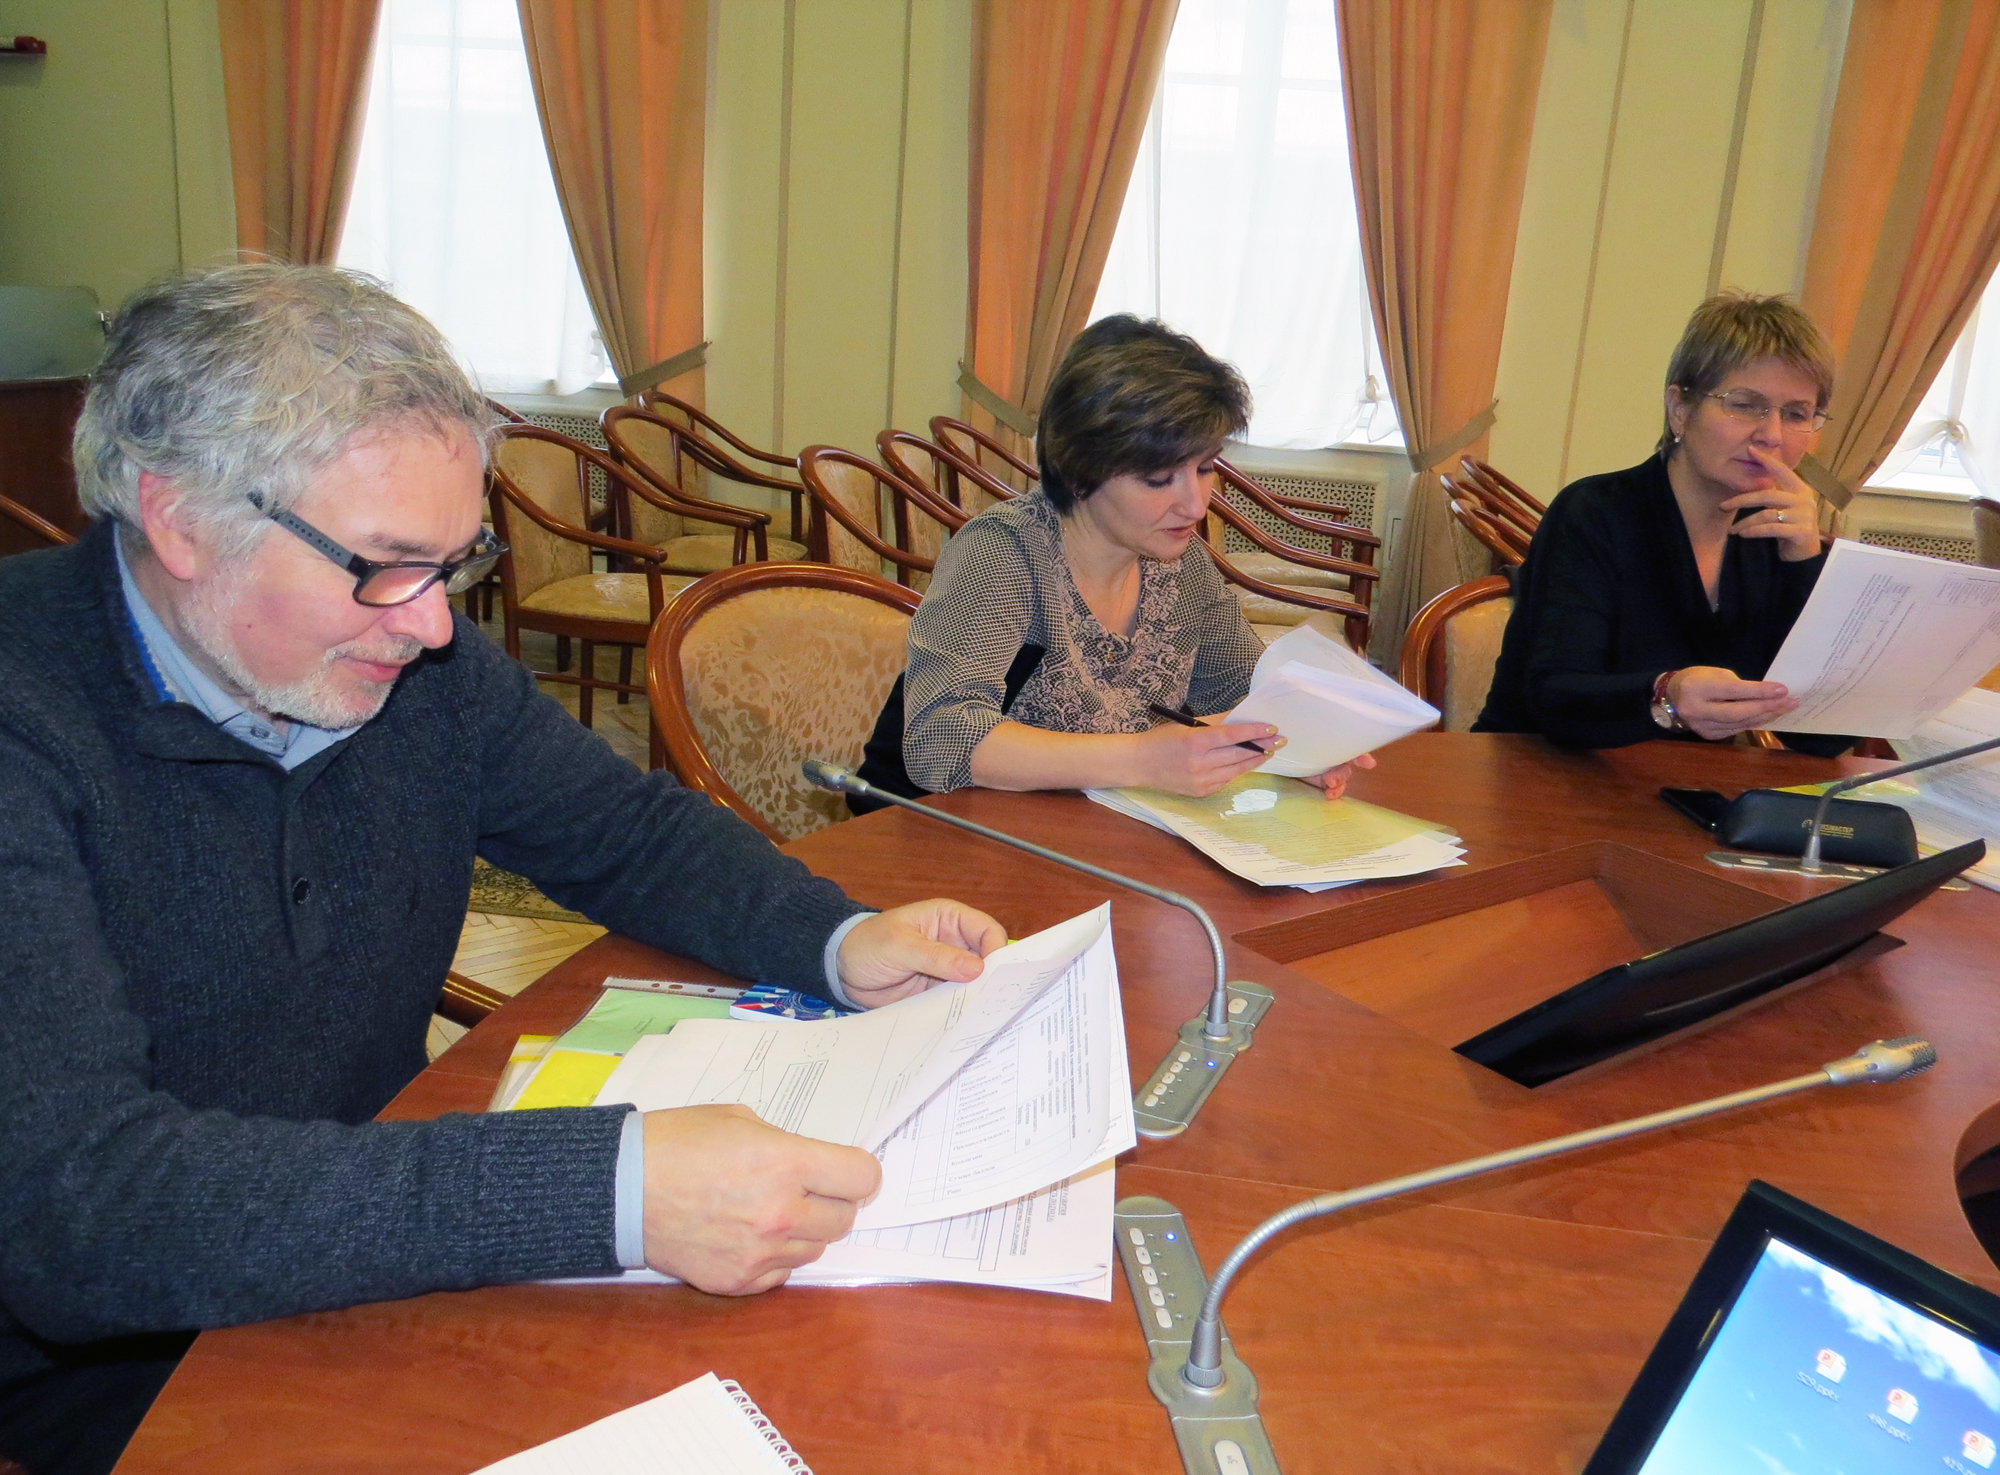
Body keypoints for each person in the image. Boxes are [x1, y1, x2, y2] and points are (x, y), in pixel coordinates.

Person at [0, 264, 1007, 1475]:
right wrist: (609, 1187)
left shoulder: (405, 660)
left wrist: (835, 936)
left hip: (379, 1237)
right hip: (125, 1360)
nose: (433, 625)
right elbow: (82, 1210)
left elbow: (622, 832)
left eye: (453, 562)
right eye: (385, 564)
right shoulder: (26, 717)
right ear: (178, 520)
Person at [857, 314, 1371, 805]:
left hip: (1094, 827)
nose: (1196, 505)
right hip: (947, 833)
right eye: (1158, 479)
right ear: (1079, 472)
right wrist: (1144, 759)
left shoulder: (1181, 563)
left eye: (1205, 468)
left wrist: (1298, 745)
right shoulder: (1004, 551)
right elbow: (940, 742)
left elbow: (1241, 688)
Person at [1475, 292, 1845, 751]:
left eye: (1796, 414)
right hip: (1535, 770)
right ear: (1680, 410)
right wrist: (1664, 694)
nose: (1771, 434)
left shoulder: (1779, 536)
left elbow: (1821, 740)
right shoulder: (1594, 513)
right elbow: (1555, 698)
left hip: (1682, 786)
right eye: (1745, 405)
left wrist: (1805, 565)